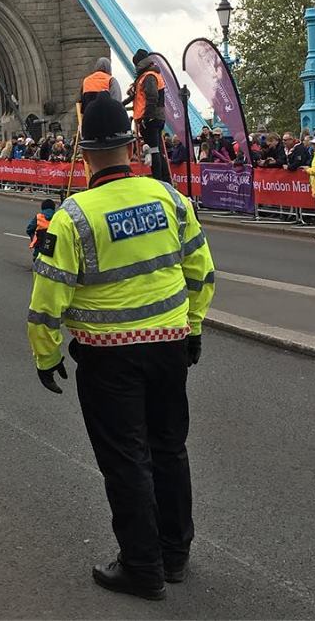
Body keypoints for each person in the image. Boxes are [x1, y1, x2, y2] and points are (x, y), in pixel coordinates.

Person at [28, 92, 215, 600]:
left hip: (107, 355)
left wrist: (46, 355)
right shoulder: (171, 199)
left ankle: (141, 566)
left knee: (126, 459)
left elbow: (48, 298)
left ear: (82, 152)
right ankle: (175, 555)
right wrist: (193, 326)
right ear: (133, 145)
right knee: (170, 449)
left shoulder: (72, 216)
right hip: (171, 346)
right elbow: (202, 272)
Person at [125, 50, 171, 183]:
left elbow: (152, 97)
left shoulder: (148, 76)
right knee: (156, 150)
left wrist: (147, 117)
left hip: (150, 118)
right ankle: (165, 180)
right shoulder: (149, 75)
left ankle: (159, 180)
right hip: (155, 117)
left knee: (154, 150)